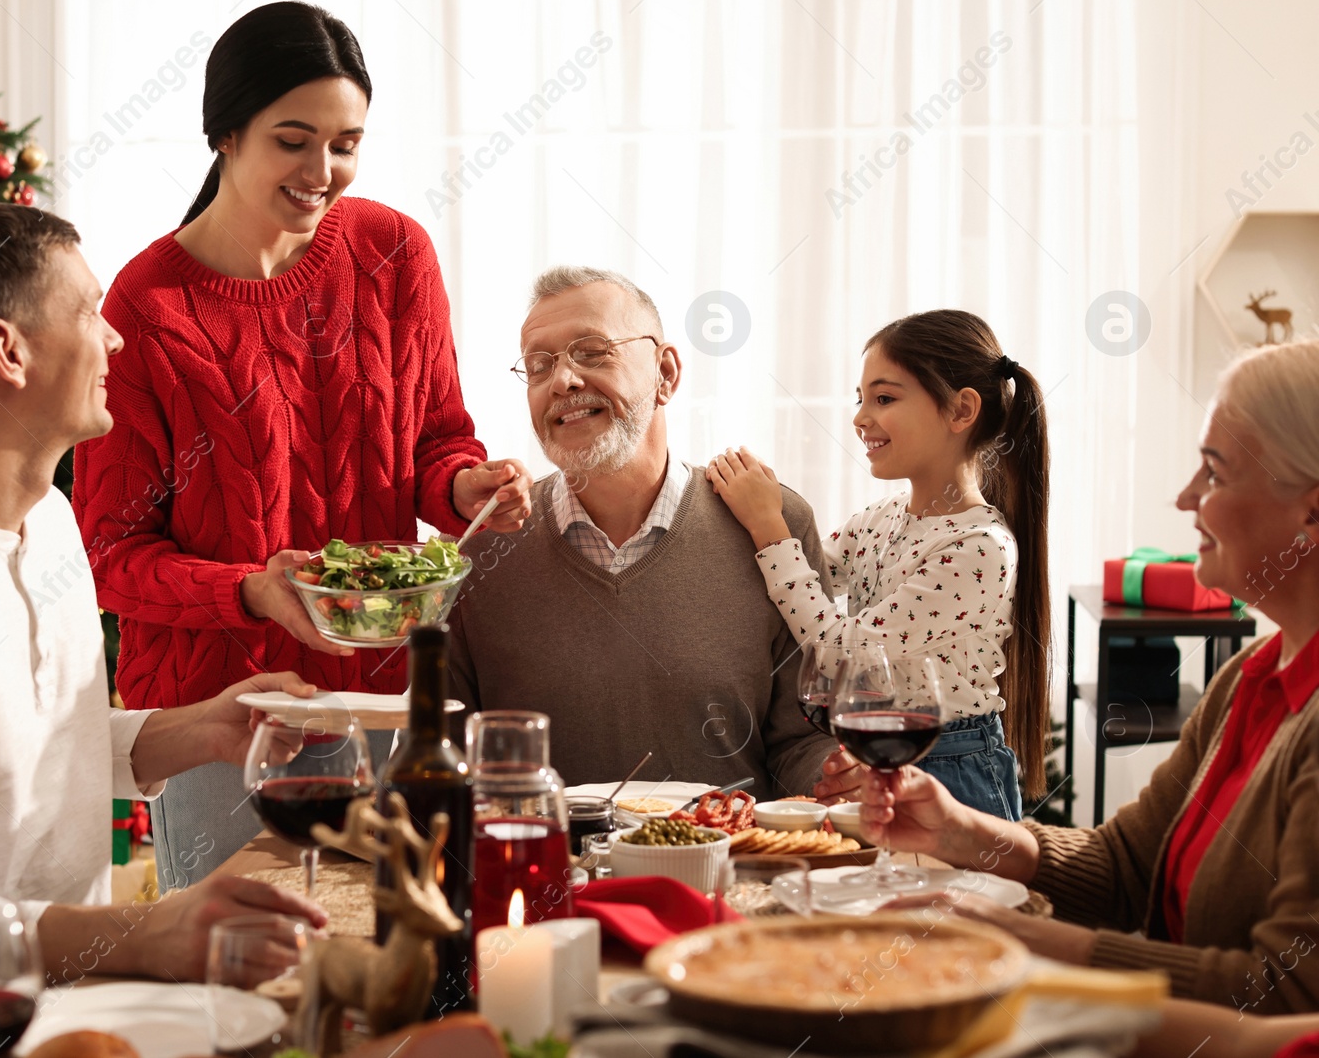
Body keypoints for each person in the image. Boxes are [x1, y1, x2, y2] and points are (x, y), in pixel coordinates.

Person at [0, 203, 326, 1051]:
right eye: (88, 312)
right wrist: (147, 931)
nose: (114, 341)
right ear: (8, 349)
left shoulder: (51, 521)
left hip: (70, 1016)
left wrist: (203, 728)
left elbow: (20, 744)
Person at [73, 1, 532, 891]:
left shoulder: (395, 252)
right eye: (294, 139)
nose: (324, 171)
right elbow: (110, 555)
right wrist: (250, 590)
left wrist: (466, 486)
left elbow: (435, 441)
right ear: (226, 134)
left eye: (346, 142)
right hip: (223, 715)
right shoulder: (145, 308)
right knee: (242, 990)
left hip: (385, 696)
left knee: (407, 969)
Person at [855, 339, 1319, 1011]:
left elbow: (1291, 993)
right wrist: (962, 831)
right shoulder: (1250, 676)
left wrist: (1020, 939)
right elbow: (1127, 865)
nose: (1186, 496)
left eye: (1214, 474)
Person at [446, 266, 836, 793]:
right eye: (540, 366)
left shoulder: (775, 525)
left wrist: (834, 775)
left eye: (591, 351)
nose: (563, 381)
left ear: (666, 374)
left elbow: (802, 741)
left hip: (724, 870)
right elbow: (446, 755)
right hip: (539, 871)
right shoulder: (478, 546)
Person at [707, 310, 1050, 818]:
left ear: (961, 411)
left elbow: (842, 652)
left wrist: (769, 525)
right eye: (860, 399)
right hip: (885, 754)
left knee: (943, 901)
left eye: (884, 398)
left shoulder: (980, 547)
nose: (860, 417)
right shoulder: (878, 520)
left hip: (953, 773)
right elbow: (799, 582)